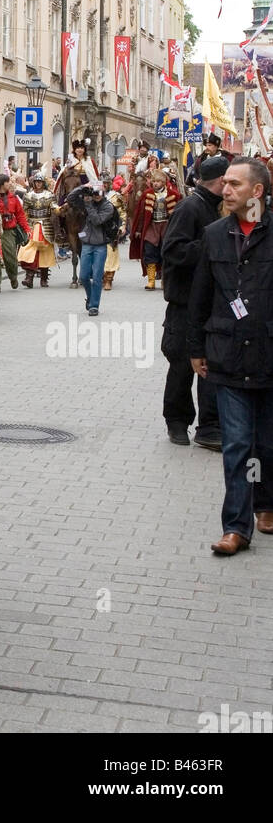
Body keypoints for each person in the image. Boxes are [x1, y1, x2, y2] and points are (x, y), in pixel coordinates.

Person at [188, 158, 273, 555]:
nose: (226, 190)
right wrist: (195, 348)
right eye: (225, 184)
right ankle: (236, 527)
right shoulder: (214, 234)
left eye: (235, 184)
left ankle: (266, 503)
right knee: (237, 444)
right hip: (227, 355)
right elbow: (200, 296)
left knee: (268, 444)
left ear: (257, 192)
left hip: (270, 355)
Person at [160, 154, 225, 449]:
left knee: (210, 367)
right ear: (221, 182)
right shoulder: (190, 207)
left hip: (210, 305)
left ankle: (210, 427)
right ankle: (177, 422)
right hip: (185, 304)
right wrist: (213, 245)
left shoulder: (217, 208)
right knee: (182, 366)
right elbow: (173, 251)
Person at [65, 179, 115, 316]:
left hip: (100, 245)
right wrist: (83, 187)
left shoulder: (108, 207)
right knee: (84, 276)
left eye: (99, 192)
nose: (97, 195)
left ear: (103, 192)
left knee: (98, 277)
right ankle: (90, 297)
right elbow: (70, 198)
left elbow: (97, 220)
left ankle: (94, 306)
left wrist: (88, 205)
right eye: (94, 192)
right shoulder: (87, 201)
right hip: (86, 244)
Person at [129, 167, 181, 289]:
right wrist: (138, 229)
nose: (155, 183)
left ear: (163, 182)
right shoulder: (147, 194)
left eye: (158, 181)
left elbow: (179, 214)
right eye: (154, 181)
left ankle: (164, 280)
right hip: (152, 227)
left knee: (166, 254)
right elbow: (141, 213)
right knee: (150, 252)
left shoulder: (174, 195)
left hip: (166, 228)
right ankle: (151, 280)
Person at [18, 170, 57, 287]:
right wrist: (23, 225)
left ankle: (44, 279)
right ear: (33, 183)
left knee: (45, 253)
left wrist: (61, 208)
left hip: (45, 225)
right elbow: (24, 212)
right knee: (29, 251)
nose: (38, 184)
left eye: (40, 182)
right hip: (32, 225)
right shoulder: (28, 195)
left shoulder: (50, 195)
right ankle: (29, 277)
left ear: (43, 183)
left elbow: (54, 208)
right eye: (36, 182)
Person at [0, 174, 27, 292]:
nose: (9, 184)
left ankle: (13, 277)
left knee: (10, 257)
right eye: (7, 182)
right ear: (2, 184)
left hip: (8, 230)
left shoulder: (13, 198)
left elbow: (20, 215)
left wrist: (26, 229)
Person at [102, 174, 127, 291]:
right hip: (98, 230)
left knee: (111, 254)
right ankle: (101, 277)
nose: (104, 185)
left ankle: (109, 279)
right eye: (102, 183)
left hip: (112, 229)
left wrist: (122, 226)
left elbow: (122, 213)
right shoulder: (95, 196)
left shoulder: (116, 196)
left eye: (106, 183)